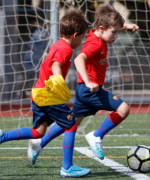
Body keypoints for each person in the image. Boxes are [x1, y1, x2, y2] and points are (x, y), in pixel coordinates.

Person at [27, 3, 139, 164]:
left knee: (71, 122)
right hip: (89, 90)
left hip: (84, 91)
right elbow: (79, 58)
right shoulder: (95, 44)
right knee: (123, 109)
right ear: (101, 29)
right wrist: (88, 81)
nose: (116, 35)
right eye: (114, 32)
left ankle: (39, 143)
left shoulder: (98, 34)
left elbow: (109, 29)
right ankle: (97, 135)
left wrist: (125, 26)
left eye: (116, 32)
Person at [0, 10, 90, 178]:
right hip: (49, 96)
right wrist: (58, 82)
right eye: (82, 37)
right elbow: (56, 65)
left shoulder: (57, 44)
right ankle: (67, 167)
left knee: (38, 132)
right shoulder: (66, 50)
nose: (82, 40)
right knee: (70, 125)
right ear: (75, 35)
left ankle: (2, 136)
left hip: (39, 94)